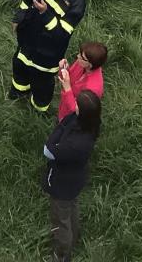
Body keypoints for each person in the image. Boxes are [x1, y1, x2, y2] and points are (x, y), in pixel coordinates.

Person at [11, 0, 87, 114]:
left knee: (41, 83)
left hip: (47, 52)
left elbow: (61, 35)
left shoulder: (76, 3)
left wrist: (45, 13)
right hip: (27, 38)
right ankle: (18, 92)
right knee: (20, 65)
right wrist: (19, 17)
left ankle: (38, 108)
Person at [42, 88, 101, 262]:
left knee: (61, 219)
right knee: (72, 207)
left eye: (76, 103)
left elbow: (48, 150)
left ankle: (62, 254)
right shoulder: (92, 123)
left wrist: (61, 126)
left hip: (62, 184)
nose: (73, 104)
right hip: (76, 179)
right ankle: (74, 235)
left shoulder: (74, 144)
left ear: (81, 112)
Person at [56, 41, 106, 121]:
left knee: (63, 129)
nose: (77, 56)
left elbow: (78, 111)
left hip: (73, 119)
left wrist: (67, 88)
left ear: (90, 64)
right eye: (80, 54)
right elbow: (70, 77)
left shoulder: (93, 88)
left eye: (82, 57)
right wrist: (64, 69)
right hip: (65, 107)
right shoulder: (81, 63)